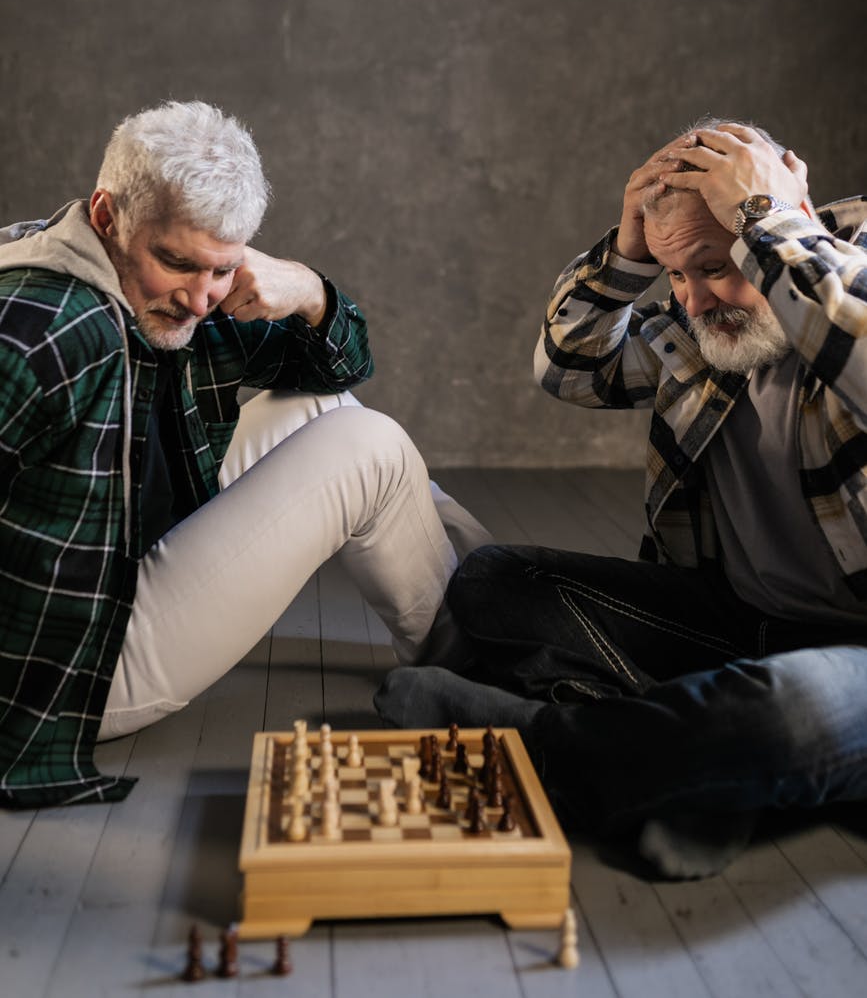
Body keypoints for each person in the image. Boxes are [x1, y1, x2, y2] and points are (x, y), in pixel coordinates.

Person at [376, 118, 867, 879]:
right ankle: (692, 768)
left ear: (780, 210)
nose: (697, 302)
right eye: (677, 276)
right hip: (735, 627)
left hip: (853, 659)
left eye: (714, 267)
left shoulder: (844, 265)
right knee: (496, 583)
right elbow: (568, 365)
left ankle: (545, 750)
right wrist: (628, 255)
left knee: (792, 712)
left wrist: (767, 225)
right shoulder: (708, 320)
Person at [0, 99, 490, 808]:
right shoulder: (41, 327)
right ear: (107, 217)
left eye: (223, 270)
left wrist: (311, 293)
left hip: (122, 552)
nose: (201, 300)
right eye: (177, 263)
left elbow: (340, 369)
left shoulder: (175, 292)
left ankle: (500, 617)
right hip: (64, 674)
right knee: (369, 447)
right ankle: (483, 679)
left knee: (321, 410)